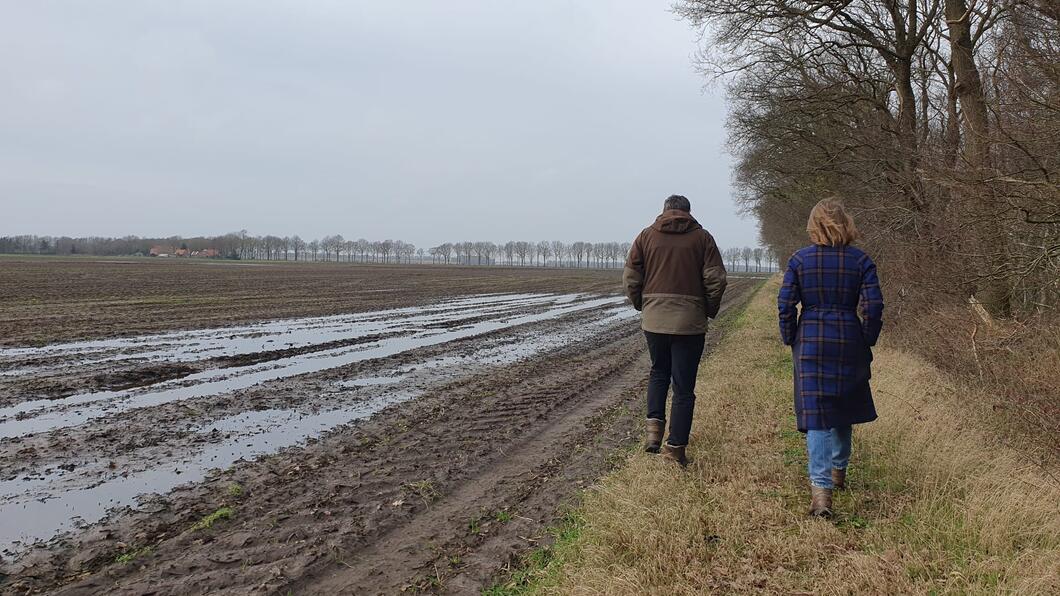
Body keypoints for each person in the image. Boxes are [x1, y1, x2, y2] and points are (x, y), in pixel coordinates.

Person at [778, 199, 884, 517]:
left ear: (814, 225)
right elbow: (874, 307)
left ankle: (821, 493)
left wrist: (790, 337)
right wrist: (867, 338)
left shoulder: (799, 260)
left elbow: (785, 305)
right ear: (846, 224)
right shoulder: (861, 260)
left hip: (810, 343)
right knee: (842, 408)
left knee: (818, 418)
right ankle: (839, 473)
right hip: (848, 340)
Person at [623, 195, 727, 466]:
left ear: (665, 211)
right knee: (683, 387)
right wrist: (707, 308)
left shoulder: (645, 236)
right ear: (688, 213)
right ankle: (675, 449)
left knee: (659, 372)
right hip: (689, 323)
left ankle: (653, 436)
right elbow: (716, 279)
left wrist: (643, 305)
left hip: (654, 320)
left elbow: (631, 277)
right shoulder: (703, 238)